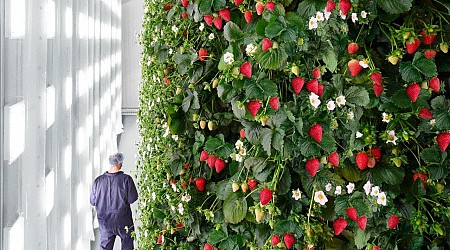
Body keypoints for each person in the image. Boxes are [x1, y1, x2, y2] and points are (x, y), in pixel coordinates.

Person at [90, 152, 138, 250]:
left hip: (105, 222)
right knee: (127, 245)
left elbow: (93, 201)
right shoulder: (126, 179)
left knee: (105, 247)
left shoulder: (98, 181)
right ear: (119, 163)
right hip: (123, 220)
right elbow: (132, 199)